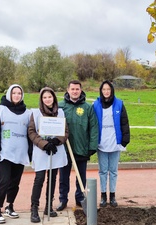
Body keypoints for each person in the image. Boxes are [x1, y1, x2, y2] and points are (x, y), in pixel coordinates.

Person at [0, 84, 32, 224]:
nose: (17, 95)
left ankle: (10, 206)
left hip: (20, 153)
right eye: (14, 93)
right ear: (9, 94)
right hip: (5, 153)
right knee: (3, 182)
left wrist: (30, 152)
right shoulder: (0, 110)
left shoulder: (27, 113)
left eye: (19, 93)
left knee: (15, 183)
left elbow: (30, 133)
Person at [56, 80, 98, 211]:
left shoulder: (87, 107)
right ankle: (63, 199)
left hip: (82, 148)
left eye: (77, 89)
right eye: (72, 89)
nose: (75, 91)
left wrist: (92, 146)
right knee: (63, 177)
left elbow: (94, 127)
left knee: (81, 176)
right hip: (64, 149)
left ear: (81, 90)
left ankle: (80, 198)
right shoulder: (60, 106)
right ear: (68, 90)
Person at [28, 87, 68, 223]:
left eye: (49, 97)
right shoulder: (35, 113)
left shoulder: (60, 112)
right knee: (39, 179)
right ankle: (34, 208)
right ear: (41, 99)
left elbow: (65, 131)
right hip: (41, 151)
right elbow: (32, 132)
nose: (47, 99)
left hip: (55, 150)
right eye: (44, 97)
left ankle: (48, 206)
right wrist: (44, 144)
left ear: (54, 98)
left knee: (52, 178)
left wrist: (57, 140)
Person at [93, 80, 130, 207]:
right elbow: (92, 124)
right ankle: (103, 195)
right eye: (104, 89)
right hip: (102, 142)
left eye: (108, 89)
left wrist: (126, 138)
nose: (106, 92)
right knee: (103, 170)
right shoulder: (96, 105)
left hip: (115, 140)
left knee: (113, 170)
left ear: (112, 90)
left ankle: (112, 195)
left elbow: (124, 122)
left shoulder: (119, 104)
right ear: (101, 91)